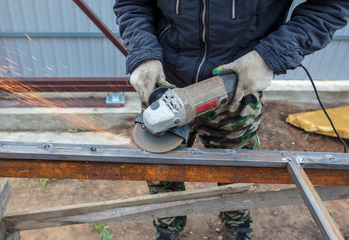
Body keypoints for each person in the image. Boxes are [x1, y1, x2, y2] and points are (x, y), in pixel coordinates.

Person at [114, 1, 349, 240]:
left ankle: (237, 227)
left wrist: (269, 56)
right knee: (160, 169)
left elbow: (331, 5)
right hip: (164, 85)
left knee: (237, 170)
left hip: (237, 86)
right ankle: (167, 227)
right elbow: (132, 3)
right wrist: (143, 53)